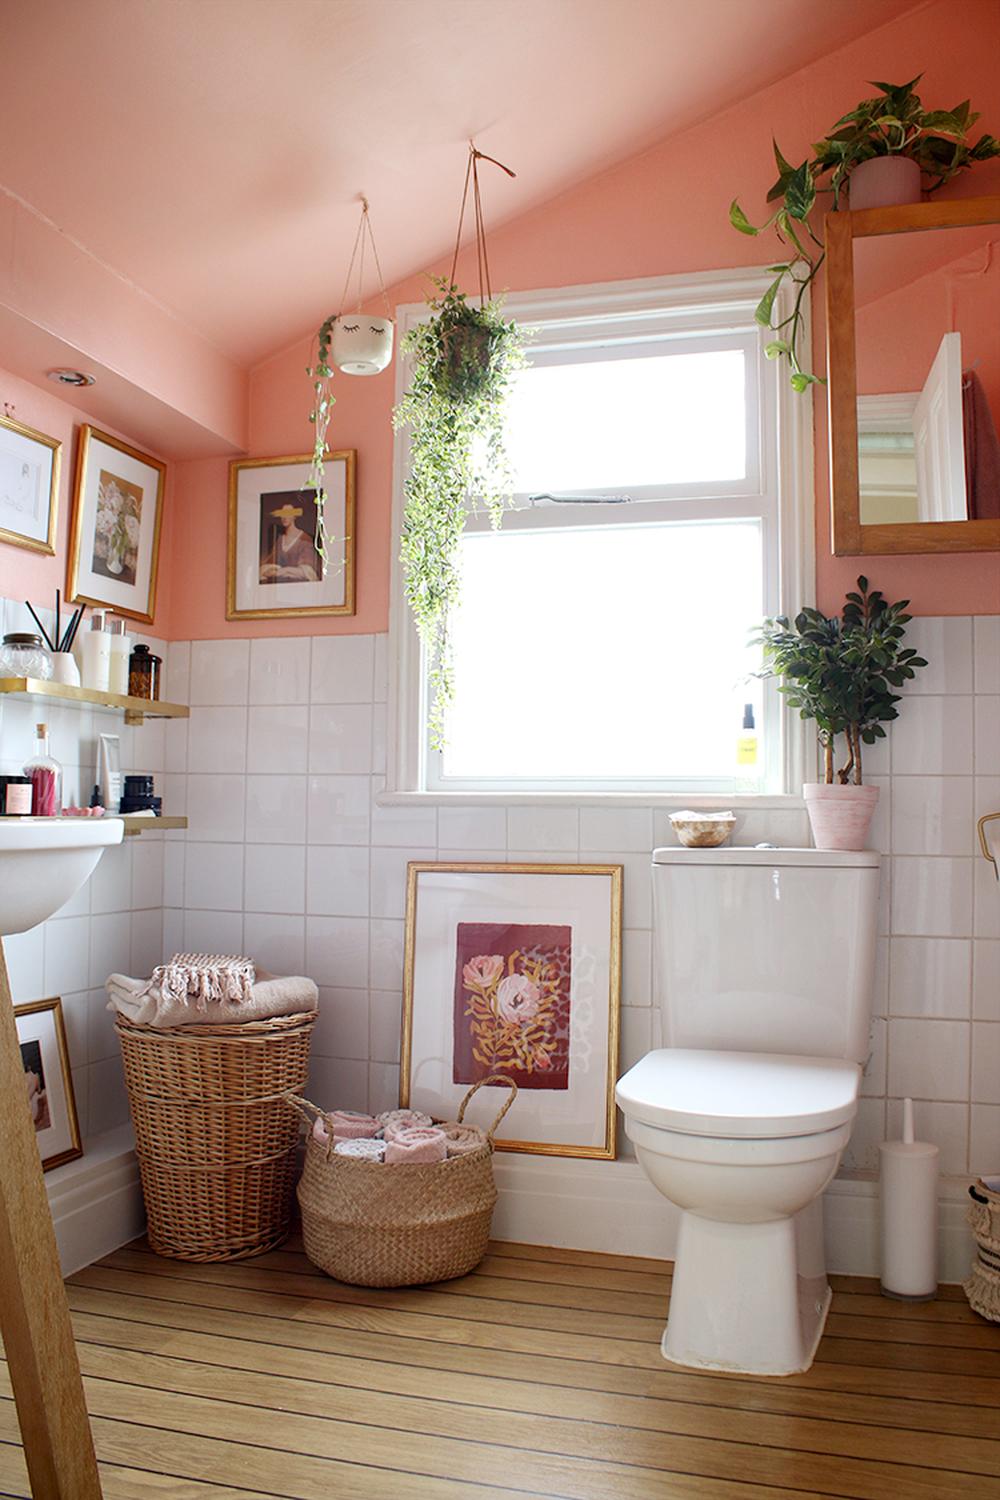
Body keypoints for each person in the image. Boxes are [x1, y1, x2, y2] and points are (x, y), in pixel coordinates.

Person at [259, 501, 320, 583]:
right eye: (282, 514)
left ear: (294, 516)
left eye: (288, 513)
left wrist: (283, 571)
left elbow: (307, 571)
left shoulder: (305, 539)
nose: (284, 517)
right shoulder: (280, 540)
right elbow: (267, 566)